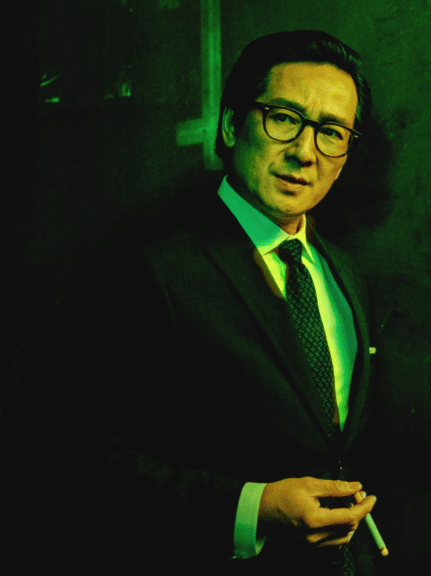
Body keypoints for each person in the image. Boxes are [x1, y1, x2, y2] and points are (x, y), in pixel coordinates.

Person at [43, 30, 381, 574]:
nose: (305, 151)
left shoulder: (343, 272)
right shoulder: (153, 273)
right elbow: (91, 466)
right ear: (230, 126)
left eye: (331, 132)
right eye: (283, 118)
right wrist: (254, 508)